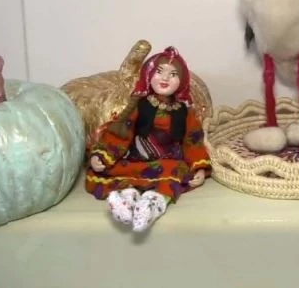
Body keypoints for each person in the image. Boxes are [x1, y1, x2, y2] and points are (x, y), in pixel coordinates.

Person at [85, 46, 211, 232]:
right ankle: (126, 201)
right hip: (138, 160)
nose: (165, 78)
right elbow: (121, 133)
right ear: (148, 75)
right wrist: (101, 156)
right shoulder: (138, 106)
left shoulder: (185, 113)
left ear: (182, 81)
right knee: (121, 172)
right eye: (159, 72)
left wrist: (199, 167)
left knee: (172, 173)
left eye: (173, 74)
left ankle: (152, 205)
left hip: (168, 162)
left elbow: (193, 141)